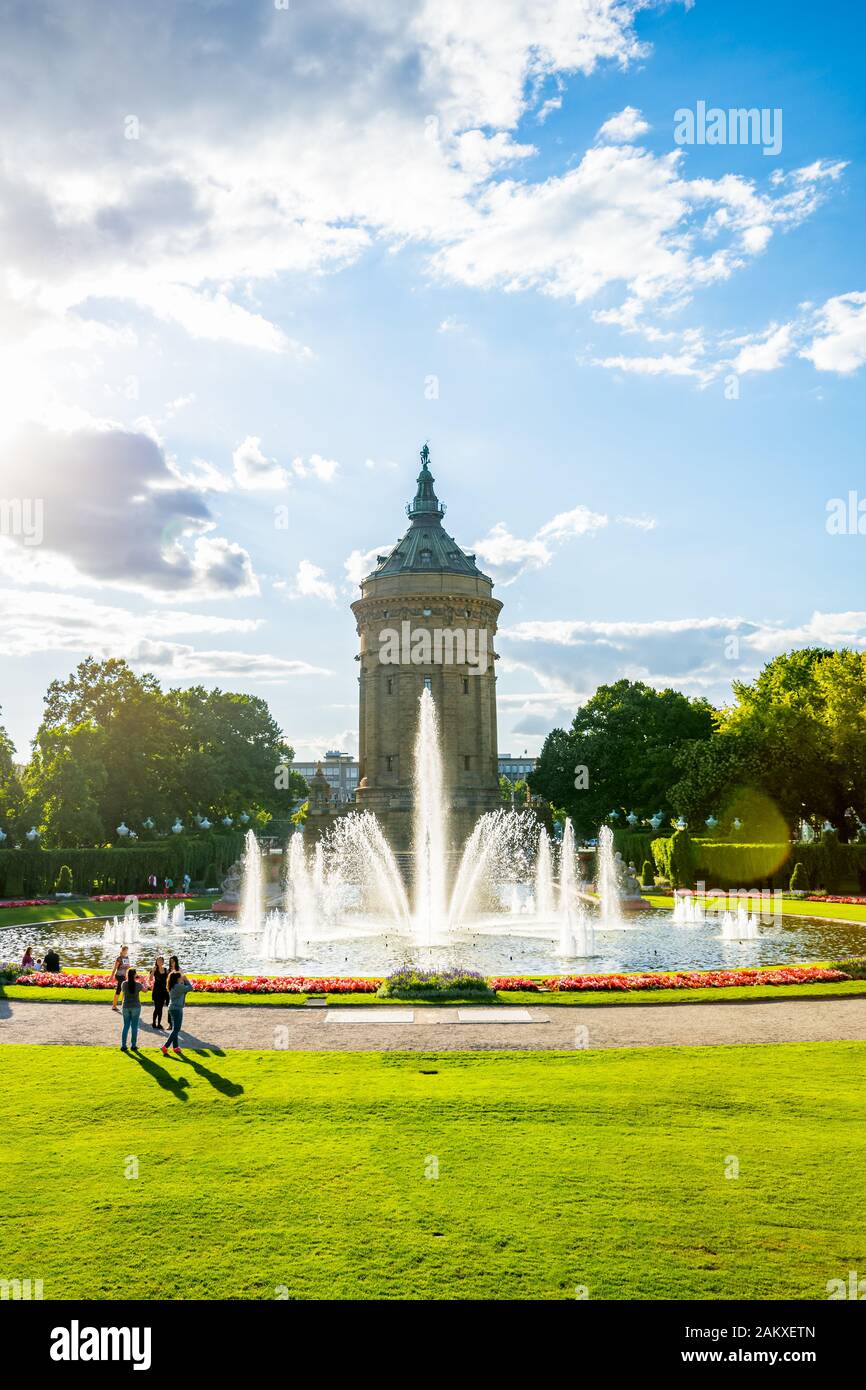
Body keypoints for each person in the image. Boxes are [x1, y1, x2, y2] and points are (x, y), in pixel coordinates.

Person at [162, 969, 194, 1055]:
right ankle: (165, 1046)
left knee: (174, 1029)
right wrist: (186, 979)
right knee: (177, 1029)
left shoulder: (173, 985)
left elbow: (184, 989)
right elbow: (191, 988)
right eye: (180, 977)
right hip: (177, 1009)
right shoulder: (178, 986)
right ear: (177, 979)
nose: (181, 978)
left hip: (172, 1008)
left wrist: (183, 981)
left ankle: (175, 1047)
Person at [119, 966, 144, 1051]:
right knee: (134, 1026)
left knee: (126, 1026)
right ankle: (133, 1045)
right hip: (136, 1006)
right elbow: (146, 990)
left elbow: (123, 992)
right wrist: (143, 980)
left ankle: (123, 1045)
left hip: (126, 1006)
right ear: (135, 975)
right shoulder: (138, 985)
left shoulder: (124, 984)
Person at [150, 956, 169, 1030]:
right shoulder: (154, 969)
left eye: (161, 961)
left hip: (163, 991)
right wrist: (153, 971)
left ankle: (159, 1024)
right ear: (156, 962)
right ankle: (154, 1022)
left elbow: (168, 979)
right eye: (158, 961)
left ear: (163, 962)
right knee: (157, 1008)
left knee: (160, 1008)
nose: (159, 962)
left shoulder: (165, 970)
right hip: (157, 990)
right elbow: (151, 979)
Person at [111, 945, 130, 1012]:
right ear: (122, 951)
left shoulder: (127, 958)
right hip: (119, 975)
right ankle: (114, 1006)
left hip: (124, 976)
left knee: (124, 990)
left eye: (127, 951)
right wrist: (111, 976)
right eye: (125, 950)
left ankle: (123, 1005)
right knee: (120, 989)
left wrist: (128, 967)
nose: (126, 952)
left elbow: (127, 968)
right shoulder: (119, 958)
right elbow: (115, 968)